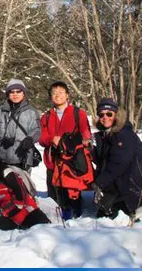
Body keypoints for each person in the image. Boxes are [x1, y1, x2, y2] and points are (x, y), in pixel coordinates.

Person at [92, 98, 142, 219]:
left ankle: (138, 209)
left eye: (109, 114)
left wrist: (99, 183)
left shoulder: (123, 134)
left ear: (116, 115)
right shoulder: (107, 134)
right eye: (101, 114)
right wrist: (90, 151)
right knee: (103, 213)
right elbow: (104, 160)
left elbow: (118, 164)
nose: (105, 117)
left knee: (107, 217)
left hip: (131, 187)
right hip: (120, 183)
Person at [39, 81, 93, 219]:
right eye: (54, 93)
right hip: (52, 162)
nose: (57, 95)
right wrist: (53, 139)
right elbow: (42, 138)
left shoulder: (78, 113)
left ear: (67, 95)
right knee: (54, 198)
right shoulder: (46, 116)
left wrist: (67, 142)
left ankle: (74, 220)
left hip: (71, 163)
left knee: (72, 195)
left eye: (61, 92)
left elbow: (85, 134)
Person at [0, 142, 50, 230]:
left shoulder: (5, 172)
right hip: (2, 214)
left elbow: (21, 196)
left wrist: (11, 212)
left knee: (44, 230)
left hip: (24, 211)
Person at [0, 79, 41, 171]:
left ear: (23, 93)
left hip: (22, 158)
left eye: (18, 91)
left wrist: (30, 139)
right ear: (8, 94)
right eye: (12, 92)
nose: (15, 94)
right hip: (1, 159)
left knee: (21, 185)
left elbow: (37, 129)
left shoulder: (31, 112)